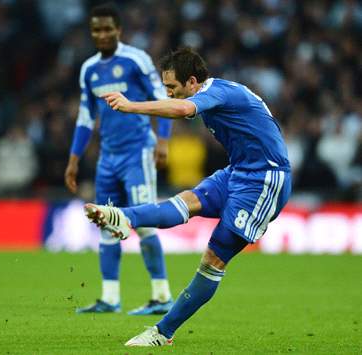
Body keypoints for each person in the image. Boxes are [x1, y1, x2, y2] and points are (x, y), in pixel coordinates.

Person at [86, 47, 292, 346]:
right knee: (185, 202)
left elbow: (183, 111)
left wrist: (131, 106)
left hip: (265, 179)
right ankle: (122, 216)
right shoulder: (216, 93)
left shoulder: (217, 92)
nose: (169, 94)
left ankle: (162, 332)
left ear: (192, 82)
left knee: (213, 259)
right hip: (238, 171)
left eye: (172, 88)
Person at [65, 3, 174, 315]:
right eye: (96, 30)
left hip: (138, 153)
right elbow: (86, 117)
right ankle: (110, 298)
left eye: (107, 29)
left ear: (119, 30)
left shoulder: (136, 59)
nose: (101, 34)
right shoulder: (89, 69)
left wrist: (163, 140)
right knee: (106, 223)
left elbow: (161, 98)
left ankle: (162, 295)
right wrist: (74, 159)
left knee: (144, 222)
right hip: (108, 158)